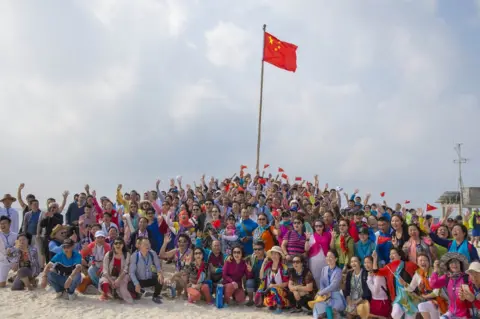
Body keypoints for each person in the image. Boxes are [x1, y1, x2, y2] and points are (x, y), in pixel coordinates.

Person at [403, 253, 448, 319]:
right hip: (428, 301)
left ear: (429, 262)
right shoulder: (417, 273)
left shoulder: (435, 272)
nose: (423, 262)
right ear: (417, 263)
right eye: (420, 260)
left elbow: (437, 291)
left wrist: (425, 296)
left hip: (440, 300)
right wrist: (404, 284)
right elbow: (411, 288)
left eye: (425, 260)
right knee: (421, 306)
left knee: (422, 306)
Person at [430, 252, 472, 319]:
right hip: (451, 312)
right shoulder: (446, 277)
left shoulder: (466, 278)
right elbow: (433, 284)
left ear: (460, 265)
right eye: (451, 262)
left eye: (457, 262)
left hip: (465, 314)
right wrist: (435, 270)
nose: (454, 264)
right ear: (448, 266)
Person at [311, 250, 346, 319]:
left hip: (335, 296)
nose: (328, 258)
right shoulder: (324, 269)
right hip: (325, 296)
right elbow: (321, 283)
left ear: (336, 259)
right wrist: (323, 294)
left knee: (333, 308)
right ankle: (320, 315)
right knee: (317, 305)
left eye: (331, 257)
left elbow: (333, 286)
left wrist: (321, 292)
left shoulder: (338, 271)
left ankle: (330, 314)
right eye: (327, 256)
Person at [255, 245, 290, 314]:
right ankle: (273, 303)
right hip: (268, 289)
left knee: (274, 290)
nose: (274, 256)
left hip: (281, 290)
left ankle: (279, 306)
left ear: (279, 255)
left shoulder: (284, 267)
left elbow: (286, 283)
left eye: (276, 254)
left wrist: (274, 285)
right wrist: (263, 264)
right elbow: (261, 277)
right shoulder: (268, 265)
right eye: (272, 254)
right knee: (263, 298)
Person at [128, 238, 163, 304]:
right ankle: (141, 292)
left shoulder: (153, 254)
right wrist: (136, 283)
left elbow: (158, 266)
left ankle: (156, 295)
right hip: (140, 280)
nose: (148, 245)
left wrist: (160, 274)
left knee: (160, 278)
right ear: (140, 246)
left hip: (149, 278)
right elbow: (131, 273)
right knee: (130, 285)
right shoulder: (135, 256)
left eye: (148, 244)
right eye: (145, 244)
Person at [98, 237, 132, 303]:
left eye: (120, 243)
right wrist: (111, 281)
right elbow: (105, 270)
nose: (118, 245)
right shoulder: (108, 254)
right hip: (109, 276)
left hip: (122, 277)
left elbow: (125, 270)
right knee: (104, 283)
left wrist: (118, 280)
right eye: (116, 243)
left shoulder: (127, 255)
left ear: (123, 245)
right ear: (113, 245)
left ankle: (119, 294)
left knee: (123, 289)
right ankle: (105, 294)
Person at [305, 219, 331, 288]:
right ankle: (321, 295)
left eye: (320, 226)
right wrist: (307, 239)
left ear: (323, 227)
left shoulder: (328, 235)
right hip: (314, 262)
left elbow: (331, 247)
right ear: (314, 227)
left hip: (326, 260)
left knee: (327, 277)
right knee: (317, 278)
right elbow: (306, 249)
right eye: (316, 226)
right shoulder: (311, 236)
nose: (318, 228)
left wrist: (333, 237)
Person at [0, 216, 18, 287]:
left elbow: (18, 248)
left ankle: (15, 277)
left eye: (4, 223)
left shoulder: (16, 235)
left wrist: (15, 261)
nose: (2, 225)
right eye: (1, 224)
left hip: (14, 260)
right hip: (3, 261)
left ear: (9, 224)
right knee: (1, 285)